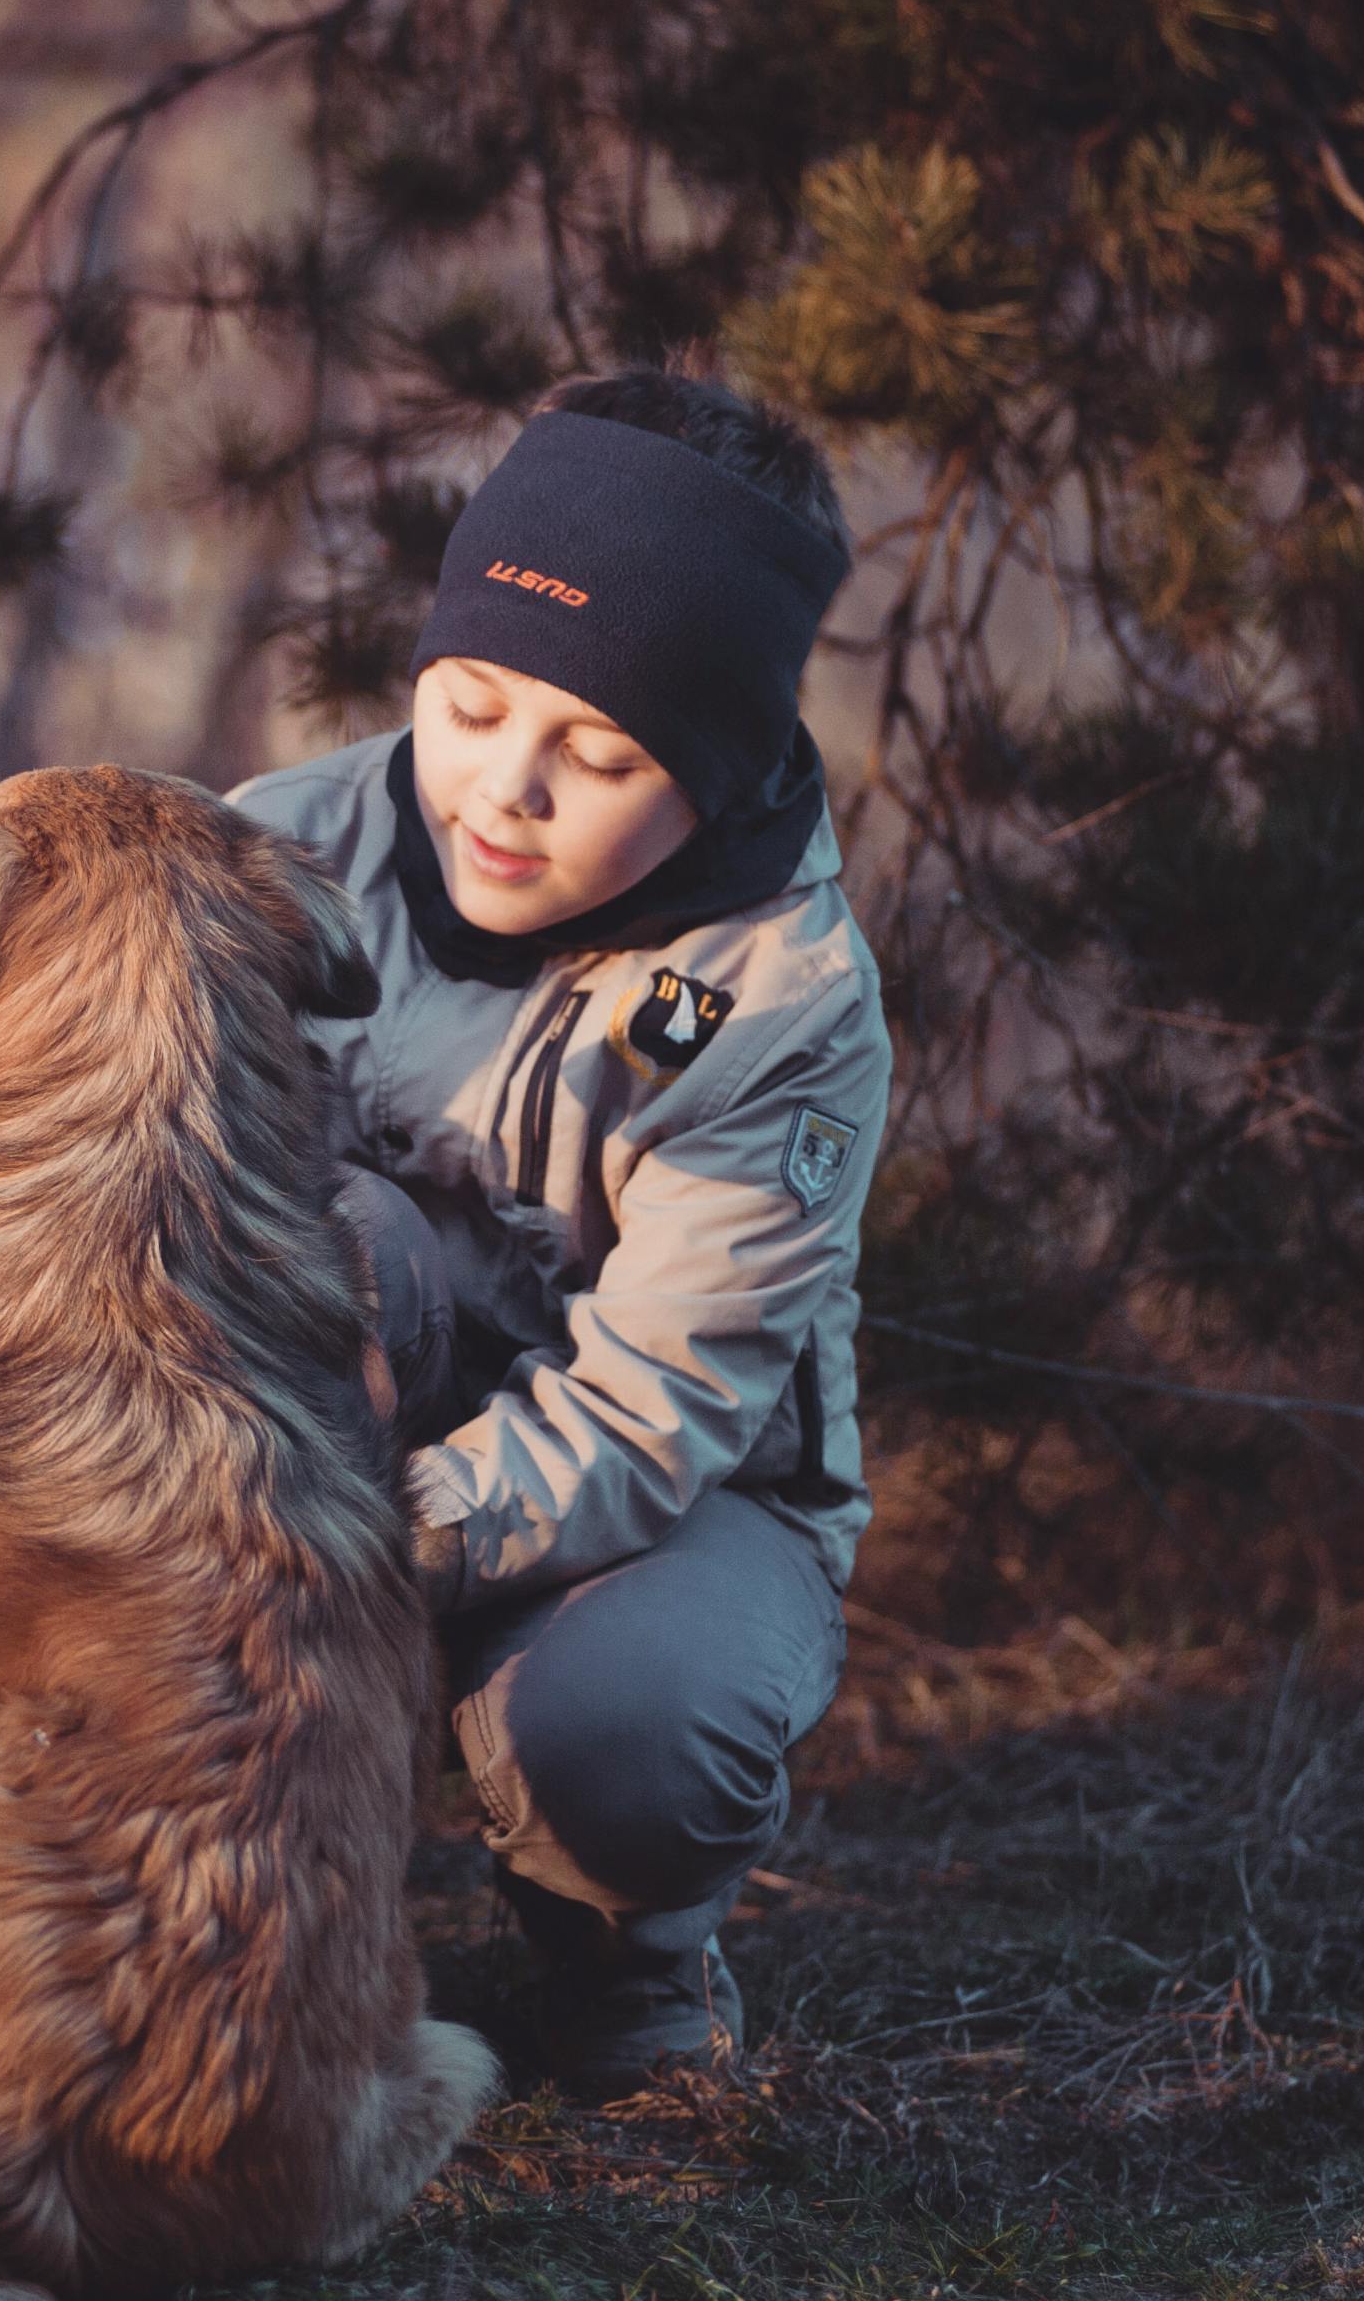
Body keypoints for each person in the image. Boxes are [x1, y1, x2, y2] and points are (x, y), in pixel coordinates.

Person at [230, 369, 887, 2097]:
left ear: (722, 763)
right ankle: (200, 1909)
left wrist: (350, 1551)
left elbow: (656, 1411)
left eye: (599, 754)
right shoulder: (273, 852)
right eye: (466, 703)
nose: (503, 790)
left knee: (632, 1730)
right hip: (320, 1429)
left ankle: (626, 1958)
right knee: (345, 1233)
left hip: (658, 1511)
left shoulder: (779, 1005)